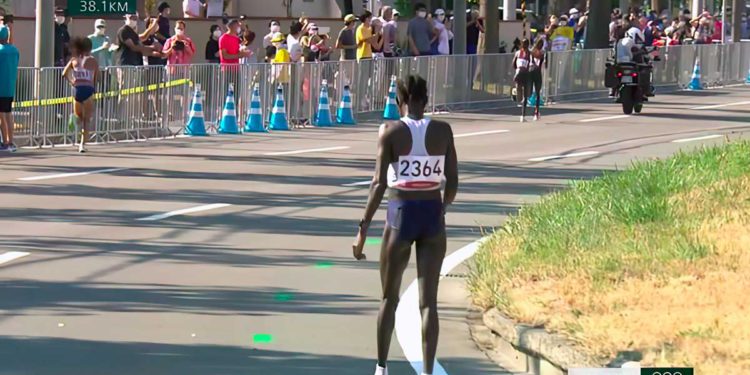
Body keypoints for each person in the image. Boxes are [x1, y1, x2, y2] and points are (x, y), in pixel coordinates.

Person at [352, 74, 458, 375]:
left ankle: (381, 367)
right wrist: (442, 210)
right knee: (428, 303)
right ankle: (427, 371)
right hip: (432, 214)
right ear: (426, 99)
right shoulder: (444, 131)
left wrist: (362, 230)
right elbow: (452, 183)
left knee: (389, 297)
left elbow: (378, 184)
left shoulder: (390, 130)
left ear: (400, 101)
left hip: (401, 214)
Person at [62, 37, 99, 154]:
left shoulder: (74, 60)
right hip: (88, 90)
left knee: (79, 116)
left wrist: (72, 80)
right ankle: (82, 144)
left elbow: (64, 73)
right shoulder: (93, 61)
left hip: (77, 90)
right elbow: (97, 77)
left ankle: (73, 119)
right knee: (86, 120)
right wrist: (94, 86)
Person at [0, 25, 18, 153]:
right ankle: (11, 141)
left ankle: (5, 142)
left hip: (0, 86)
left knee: (1, 116)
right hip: (10, 86)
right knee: (8, 114)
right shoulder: (15, 50)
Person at [512, 39, 532, 122]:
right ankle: (522, 115)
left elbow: (513, 63)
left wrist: (517, 70)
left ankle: (519, 102)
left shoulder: (517, 53)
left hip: (518, 75)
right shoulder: (529, 54)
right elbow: (531, 65)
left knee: (519, 90)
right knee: (525, 95)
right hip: (526, 75)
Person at [529, 38, 545, 121]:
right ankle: (536, 112)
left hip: (531, 71)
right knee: (538, 93)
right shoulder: (542, 53)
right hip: (538, 72)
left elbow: (530, 62)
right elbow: (543, 64)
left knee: (530, 90)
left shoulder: (532, 52)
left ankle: (523, 113)